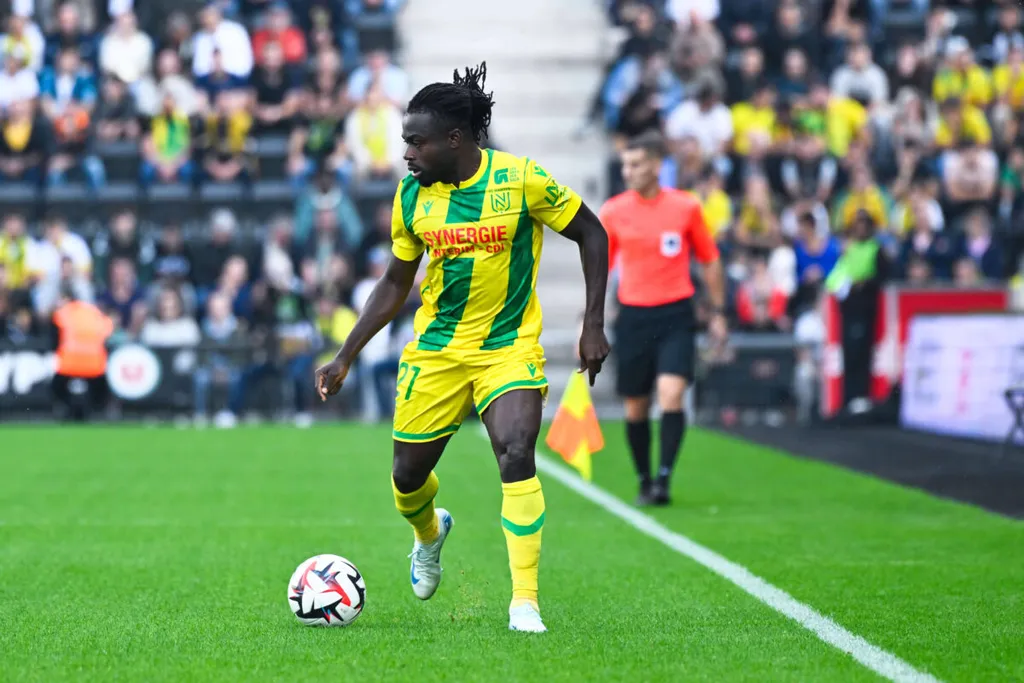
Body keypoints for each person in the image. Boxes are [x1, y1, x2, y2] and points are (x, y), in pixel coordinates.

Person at [314, 63, 610, 634]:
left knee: (517, 451)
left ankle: (525, 601)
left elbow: (591, 232)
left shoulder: (521, 180)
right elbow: (397, 282)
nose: (406, 154)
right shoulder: (411, 197)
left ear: (456, 139)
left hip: (507, 344)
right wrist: (346, 353)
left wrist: (592, 323)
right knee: (406, 481)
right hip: (437, 352)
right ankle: (429, 534)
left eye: (415, 142)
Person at [599, 132, 726, 507]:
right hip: (633, 315)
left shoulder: (686, 207)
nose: (628, 170)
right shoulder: (613, 210)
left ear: (656, 165)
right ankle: (644, 478)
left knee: (671, 395)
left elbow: (710, 259)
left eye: (636, 164)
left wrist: (718, 312)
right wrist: (589, 317)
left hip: (676, 313)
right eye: (625, 164)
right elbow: (600, 267)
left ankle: (664, 479)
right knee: (636, 406)